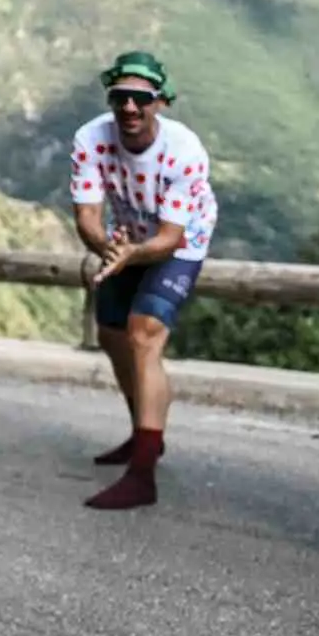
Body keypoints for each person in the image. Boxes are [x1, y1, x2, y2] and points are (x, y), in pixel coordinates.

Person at [68, 51, 218, 511]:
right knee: (113, 336)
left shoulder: (184, 150)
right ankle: (144, 435)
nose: (130, 108)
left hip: (181, 240)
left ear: (161, 102)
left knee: (144, 334)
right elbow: (87, 216)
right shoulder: (90, 139)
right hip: (127, 237)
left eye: (141, 98)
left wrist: (130, 252)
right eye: (120, 98)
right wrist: (108, 250)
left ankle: (143, 474)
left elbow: (170, 238)